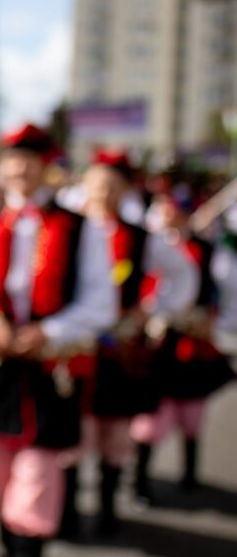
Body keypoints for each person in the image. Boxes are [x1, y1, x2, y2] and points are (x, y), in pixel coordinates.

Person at [0, 123, 116, 557]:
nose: (18, 168)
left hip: (53, 372)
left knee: (35, 488)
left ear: (45, 166)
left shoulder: (78, 227)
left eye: (28, 159)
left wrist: (48, 332)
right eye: (11, 159)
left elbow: (101, 303)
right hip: (0, 372)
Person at [62, 150, 197, 536]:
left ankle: (107, 509)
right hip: (76, 349)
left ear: (124, 192)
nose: (102, 193)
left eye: (110, 186)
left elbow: (182, 272)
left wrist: (151, 312)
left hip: (119, 351)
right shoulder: (66, 229)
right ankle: (68, 513)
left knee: (115, 433)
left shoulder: (140, 238)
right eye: (96, 185)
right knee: (73, 432)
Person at [130, 185, 234, 504]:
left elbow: (230, 295)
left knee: (191, 414)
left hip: (191, 344)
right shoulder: (147, 244)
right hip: (156, 343)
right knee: (150, 416)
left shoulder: (211, 251)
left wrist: (213, 324)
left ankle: (189, 476)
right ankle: (140, 482)